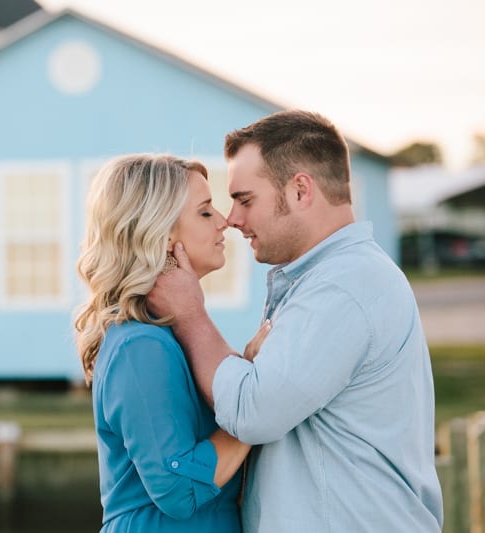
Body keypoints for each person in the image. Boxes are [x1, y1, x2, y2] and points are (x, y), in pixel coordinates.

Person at [147, 110, 444, 532]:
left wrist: (191, 316)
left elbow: (253, 412)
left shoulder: (344, 286)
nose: (232, 219)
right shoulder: (332, 279)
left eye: (245, 199)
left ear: (301, 190)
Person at [74, 153, 268, 532]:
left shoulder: (168, 333)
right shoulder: (140, 346)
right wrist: (256, 405)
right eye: (205, 211)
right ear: (162, 235)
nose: (225, 221)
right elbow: (178, 488)